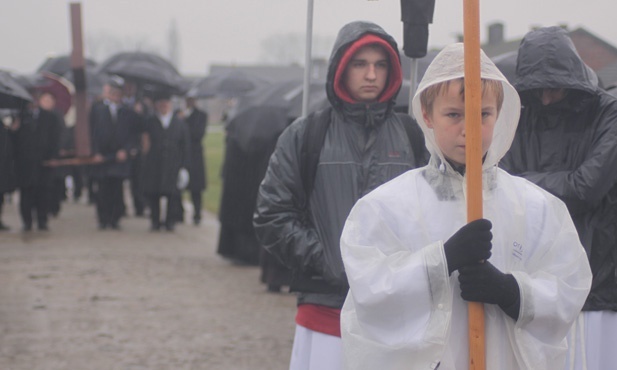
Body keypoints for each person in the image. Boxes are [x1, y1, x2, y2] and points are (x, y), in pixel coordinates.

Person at [338, 42, 593, 369]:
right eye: (454, 115)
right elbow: (370, 288)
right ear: (428, 116)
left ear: (498, 114)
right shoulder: (386, 207)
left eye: (482, 114)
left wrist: (510, 292)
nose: (469, 129)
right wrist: (441, 261)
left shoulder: (535, 208)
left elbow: (568, 286)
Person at [253, 21, 425, 369]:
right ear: (341, 68)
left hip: (395, 312)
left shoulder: (412, 136)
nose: (371, 74)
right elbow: (272, 214)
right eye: (360, 64)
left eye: (380, 65)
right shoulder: (306, 135)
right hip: (325, 307)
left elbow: (431, 212)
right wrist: (326, 259)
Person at [500, 26, 617, 370]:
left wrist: (521, 183)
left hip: (597, 281)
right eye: (538, 89)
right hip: (530, 282)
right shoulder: (515, 116)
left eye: (555, 87)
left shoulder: (607, 114)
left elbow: (586, 188)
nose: (547, 98)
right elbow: (499, 187)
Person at [89, 77, 138, 230]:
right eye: (113, 93)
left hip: (119, 157)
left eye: (118, 94)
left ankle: (115, 218)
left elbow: (132, 134)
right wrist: (95, 152)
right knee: (103, 190)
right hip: (102, 157)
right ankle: (103, 219)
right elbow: (92, 133)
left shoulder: (127, 113)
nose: (116, 97)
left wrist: (126, 150)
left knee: (117, 189)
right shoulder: (97, 110)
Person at [10, 91, 63, 231]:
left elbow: (56, 138)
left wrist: (53, 156)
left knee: (43, 192)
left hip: (44, 162)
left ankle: (42, 220)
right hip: (25, 163)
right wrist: (13, 130)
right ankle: (27, 222)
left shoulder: (50, 117)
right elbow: (14, 141)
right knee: (26, 193)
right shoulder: (21, 116)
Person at [141, 89, 190, 232]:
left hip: (173, 163)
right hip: (154, 162)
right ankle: (155, 221)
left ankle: (170, 221)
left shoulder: (179, 123)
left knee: (172, 194)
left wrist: (184, 166)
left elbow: (185, 146)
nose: (164, 106)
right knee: (154, 193)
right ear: (156, 105)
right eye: (161, 103)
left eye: (166, 103)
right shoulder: (150, 122)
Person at [180, 96, 208, 225]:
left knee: (196, 187)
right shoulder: (178, 114)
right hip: (181, 153)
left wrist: (184, 121)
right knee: (179, 184)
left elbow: (198, 134)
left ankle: (197, 214)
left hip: (195, 155)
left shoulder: (201, 115)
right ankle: (178, 213)